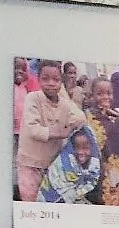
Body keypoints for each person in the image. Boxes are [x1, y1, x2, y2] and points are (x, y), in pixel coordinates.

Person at [16, 60, 85, 202]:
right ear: (38, 80)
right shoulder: (33, 98)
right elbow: (33, 130)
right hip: (29, 164)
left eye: (56, 79)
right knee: (31, 204)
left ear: (61, 82)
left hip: (52, 166)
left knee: (49, 204)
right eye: (45, 79)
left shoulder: (65, 104)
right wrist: (61, 133)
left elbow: (80, 118)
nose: (51, 83)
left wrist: (71, 124)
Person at [85, 77, 119, 205]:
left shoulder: (117, 117)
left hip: (116, 168)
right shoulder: (87, 117)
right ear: (92, 96)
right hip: (96, 170)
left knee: (114, 198)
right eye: (100, 94)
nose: (105, 97)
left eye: (109, 93)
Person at [38, 123, 101, 204]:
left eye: (85, 148)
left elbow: (90, 184)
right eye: (76, 147)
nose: (81, 152)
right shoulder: (62, 165)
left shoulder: (94, 166)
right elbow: (61, 194)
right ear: (70, 148)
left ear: (93, 149)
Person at [12, 57, 30, 196]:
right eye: (15, 67)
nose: (19, 71)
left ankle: (20, 186)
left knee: (21, 160)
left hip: (23, 131)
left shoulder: (24, 89)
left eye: (22, 69)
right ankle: (14, 186)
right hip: (12, 131)